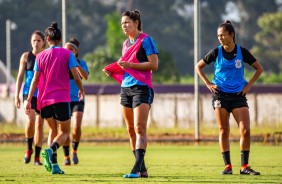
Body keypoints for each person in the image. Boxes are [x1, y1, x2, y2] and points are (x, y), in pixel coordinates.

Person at [195, 20, 263, 175]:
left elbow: (259, 68)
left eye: (223, 35)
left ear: (231, 35)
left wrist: (248, 85)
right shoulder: (215, 52)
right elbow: (198, 66)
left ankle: (244, 166)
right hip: (220, 95)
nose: (220, 38)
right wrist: (208, 84)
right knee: (223, 130)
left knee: (245, 130)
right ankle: (228, 166)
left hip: (238, 95)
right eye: (218, 35)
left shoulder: (242, 51)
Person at [24, 22, 85, 174]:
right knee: (64, 133)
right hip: (61, 98)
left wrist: (28, 99)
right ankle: (50, 150)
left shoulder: (40, 56)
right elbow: (76, 77)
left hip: (44, 100)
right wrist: (82, 90)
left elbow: (35, 80)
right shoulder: (67, 54)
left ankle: (55, 166)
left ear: (47, 39)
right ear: (60, 38)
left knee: (53, 131)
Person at [103, 10, 158, 178]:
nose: (124, 26)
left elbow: (153, 64)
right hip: (126, 89)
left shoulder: (146, 40)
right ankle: (142, 169)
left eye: (127, 22)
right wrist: (114, 70)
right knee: (130, 130)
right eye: (122, 23)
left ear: (136, 22)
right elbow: (125, 66)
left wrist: (129, 65)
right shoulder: (126, 44)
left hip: (142, 88)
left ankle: (135, 169)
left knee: (140, 128)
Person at [15, 30, 45, 165]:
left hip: (44, 94)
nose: (36, 43)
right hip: (29, 94)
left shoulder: (45, 56)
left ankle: (37, 157)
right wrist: (16, 96)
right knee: (31, 121)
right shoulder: (26, 57)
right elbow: (20, 77)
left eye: (39, 40)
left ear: (44, 42)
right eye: (34, 40)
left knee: (39, 124)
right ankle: (28, 149)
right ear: (31, 42)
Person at [62, 37, 89, 165]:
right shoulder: (61, 63)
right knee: (65, 129)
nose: (68, 52)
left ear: (76, 52)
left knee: (76, 126)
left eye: (71, 50)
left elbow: (86, 76)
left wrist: (76, 65)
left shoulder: (81, 63)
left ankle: (74, 150)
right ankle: (66, 156)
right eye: (66, 49)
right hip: (63, 99)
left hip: (78, 98)